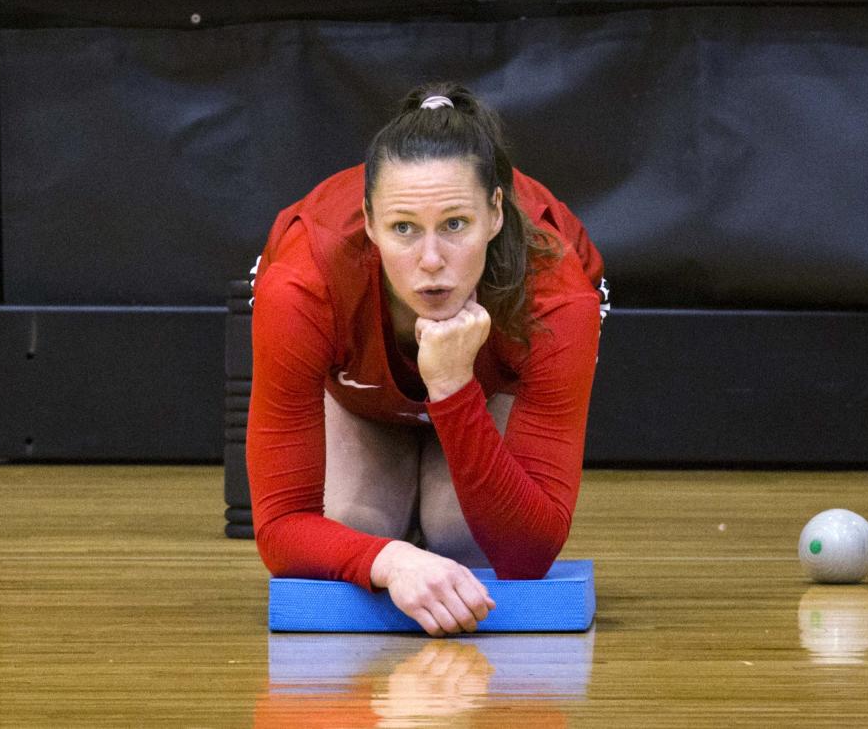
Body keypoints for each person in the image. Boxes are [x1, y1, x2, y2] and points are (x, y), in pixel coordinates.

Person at [246, 83, 607, 637]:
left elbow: (529, 552)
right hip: (360, 396)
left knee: (466, 542)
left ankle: (426, 510)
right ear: (369, 223)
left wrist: (455, 387)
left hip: (482, 389)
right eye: (403, 228)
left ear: (495, 214)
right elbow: (280, 528)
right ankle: (402, 522)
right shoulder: (302, 283)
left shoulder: (555, 294)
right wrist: (392, 561)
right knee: (351, 529)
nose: (432, 261)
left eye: (455, 225)